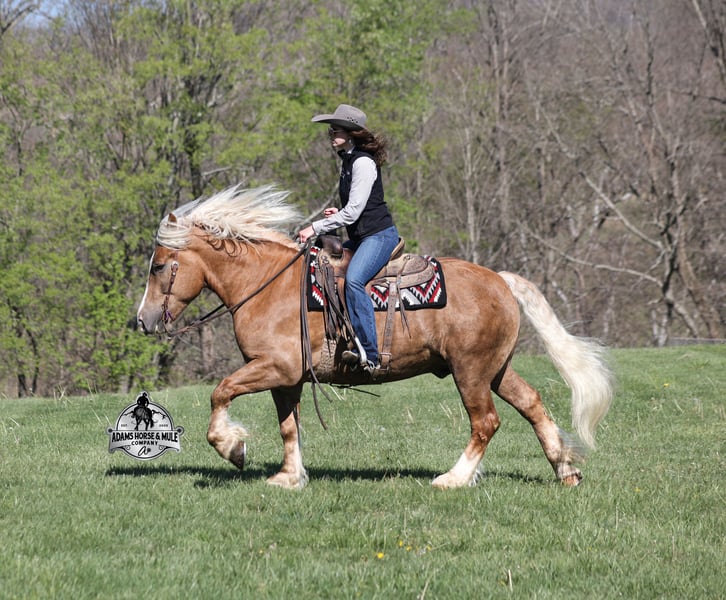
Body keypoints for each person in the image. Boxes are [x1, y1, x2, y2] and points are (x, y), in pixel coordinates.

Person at [298, 104, 399, 374]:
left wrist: (315, 227)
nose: (331, 135)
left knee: (354, 280)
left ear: (351, 133)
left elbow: (354, 212)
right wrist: (338, 213)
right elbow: (355, 208)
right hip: (362, 236)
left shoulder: (363, 162)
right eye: (330, 131)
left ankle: (370, 354)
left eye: (335, 130)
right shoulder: (348, 160)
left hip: (379, 236)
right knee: (325, 267)